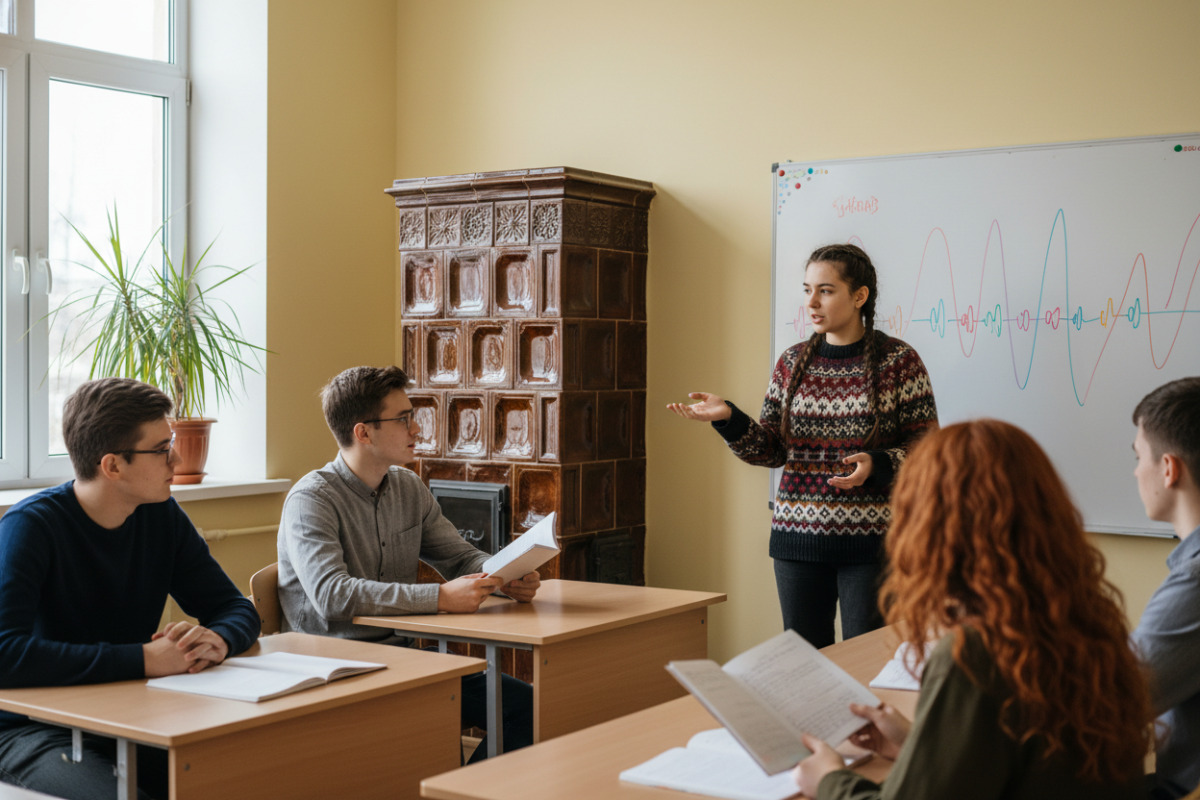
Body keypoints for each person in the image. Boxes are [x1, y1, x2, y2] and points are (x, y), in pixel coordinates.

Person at [793, 419, 1152, 799]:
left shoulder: (975, 652)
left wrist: (830, 780)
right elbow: (1019, 759)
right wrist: (921, 745)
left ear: (930, 526)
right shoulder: (1088, 621)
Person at [0, 378, 260, 800]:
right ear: (112, 465)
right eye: (160, 449)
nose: (175, 458)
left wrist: (219, 639)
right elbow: (4, 655)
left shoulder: (160, 515)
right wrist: (142, 660)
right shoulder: (31, 527)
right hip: (32, 730)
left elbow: (233, 606)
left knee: (248, 777)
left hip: (134, 715)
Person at [667, 243, 938, 647]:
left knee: (868, 659)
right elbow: (772, 450)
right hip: (798, 541)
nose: (812, 302)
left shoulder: (898, 360)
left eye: (826, 290)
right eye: (807, 289)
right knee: (805, 667)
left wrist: (877, 464)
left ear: (859, 296)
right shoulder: (792, 362)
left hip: (874, 544)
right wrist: (729, 418)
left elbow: (927, 447)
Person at [277, 365, 539, 762]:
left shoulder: (407, 487)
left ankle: (460, 791)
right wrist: (440, 598)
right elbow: (332, 595)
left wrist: (503, 574)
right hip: (334, 667)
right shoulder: (311, 500)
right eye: (404, 420)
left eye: (412, 416)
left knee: (530, 707)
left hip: (407, 658)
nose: (417, 429)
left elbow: (458, 555)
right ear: (363, 432)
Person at [1130, 377, 1200, 800]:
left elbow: (1106, 705)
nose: (1136, 471)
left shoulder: (1194, 581)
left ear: (1169, 469)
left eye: (1138, 457)